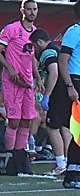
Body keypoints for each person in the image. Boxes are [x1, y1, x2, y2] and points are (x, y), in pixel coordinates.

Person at [0, 0, 39, 174]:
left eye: (35, 9)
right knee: (14, 121)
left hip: (27, 82)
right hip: (12, 81)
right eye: (29, 9)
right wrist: (10, 68)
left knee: (27, 120)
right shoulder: (12, 29)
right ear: (22, 10)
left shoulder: (34, 32)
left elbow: (32, 56)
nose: (32, 12)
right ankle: (9, 157)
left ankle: (20, 158)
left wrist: (37, 78)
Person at [32, 27, 73, 177]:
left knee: (52, 127)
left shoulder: (47, 52)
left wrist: (47, 94)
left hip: (59, 93)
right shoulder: (58, 48)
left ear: (40, 42)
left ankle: (61, 163)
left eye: (34, 46)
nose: (34, 50)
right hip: (68, 90)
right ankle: (70, 162)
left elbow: (54, 71)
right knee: (65, 128)